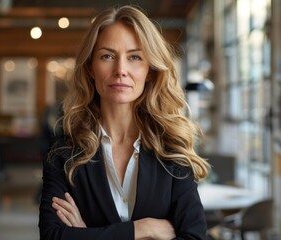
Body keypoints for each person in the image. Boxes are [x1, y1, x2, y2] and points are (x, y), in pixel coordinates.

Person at [39, 5, 210, 240]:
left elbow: (195, 237)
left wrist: (87, 234)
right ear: (90, 67)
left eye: (135, 57)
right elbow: (52, 236)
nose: (121, 70)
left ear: (149, 70)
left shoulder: (171, 148)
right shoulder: (64, 152)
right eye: (107, 56)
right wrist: (143, 229)